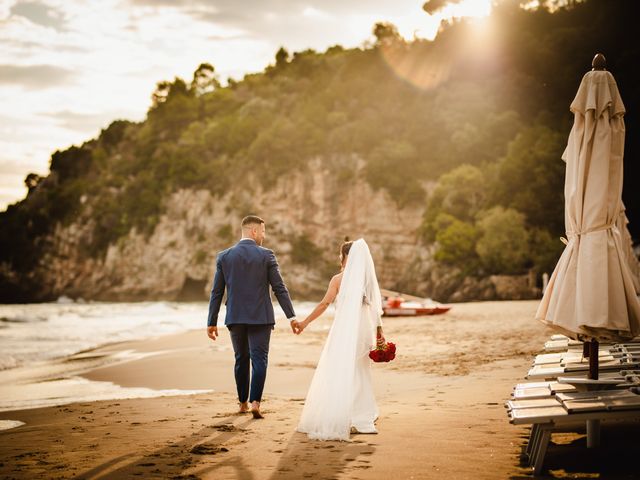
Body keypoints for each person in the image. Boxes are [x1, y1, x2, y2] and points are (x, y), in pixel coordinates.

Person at [206, 215, 298, 419]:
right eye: (263, 232)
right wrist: (291, 316)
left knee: (241, 359)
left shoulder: (224, 256)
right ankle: (256, 402)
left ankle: (242, 403)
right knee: (259, 359)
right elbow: (279, 288)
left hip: (235, 317)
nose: (264, 236)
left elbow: (217, 292)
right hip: (261, 317)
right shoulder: (266, 255)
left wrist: (211, 321)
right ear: (254, 231)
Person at [294, 238, 385, 440]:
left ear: (346, 257)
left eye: (341, 255)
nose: (340, 259)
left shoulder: (337, 280)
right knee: (361, 370)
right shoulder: (366, 280)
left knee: (340, 370)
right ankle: (361, 413)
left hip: (343, 331)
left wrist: (304, 323)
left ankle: (344, 412)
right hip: (363, 331)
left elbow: (324, 304)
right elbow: (375, 309)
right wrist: (379, 333)